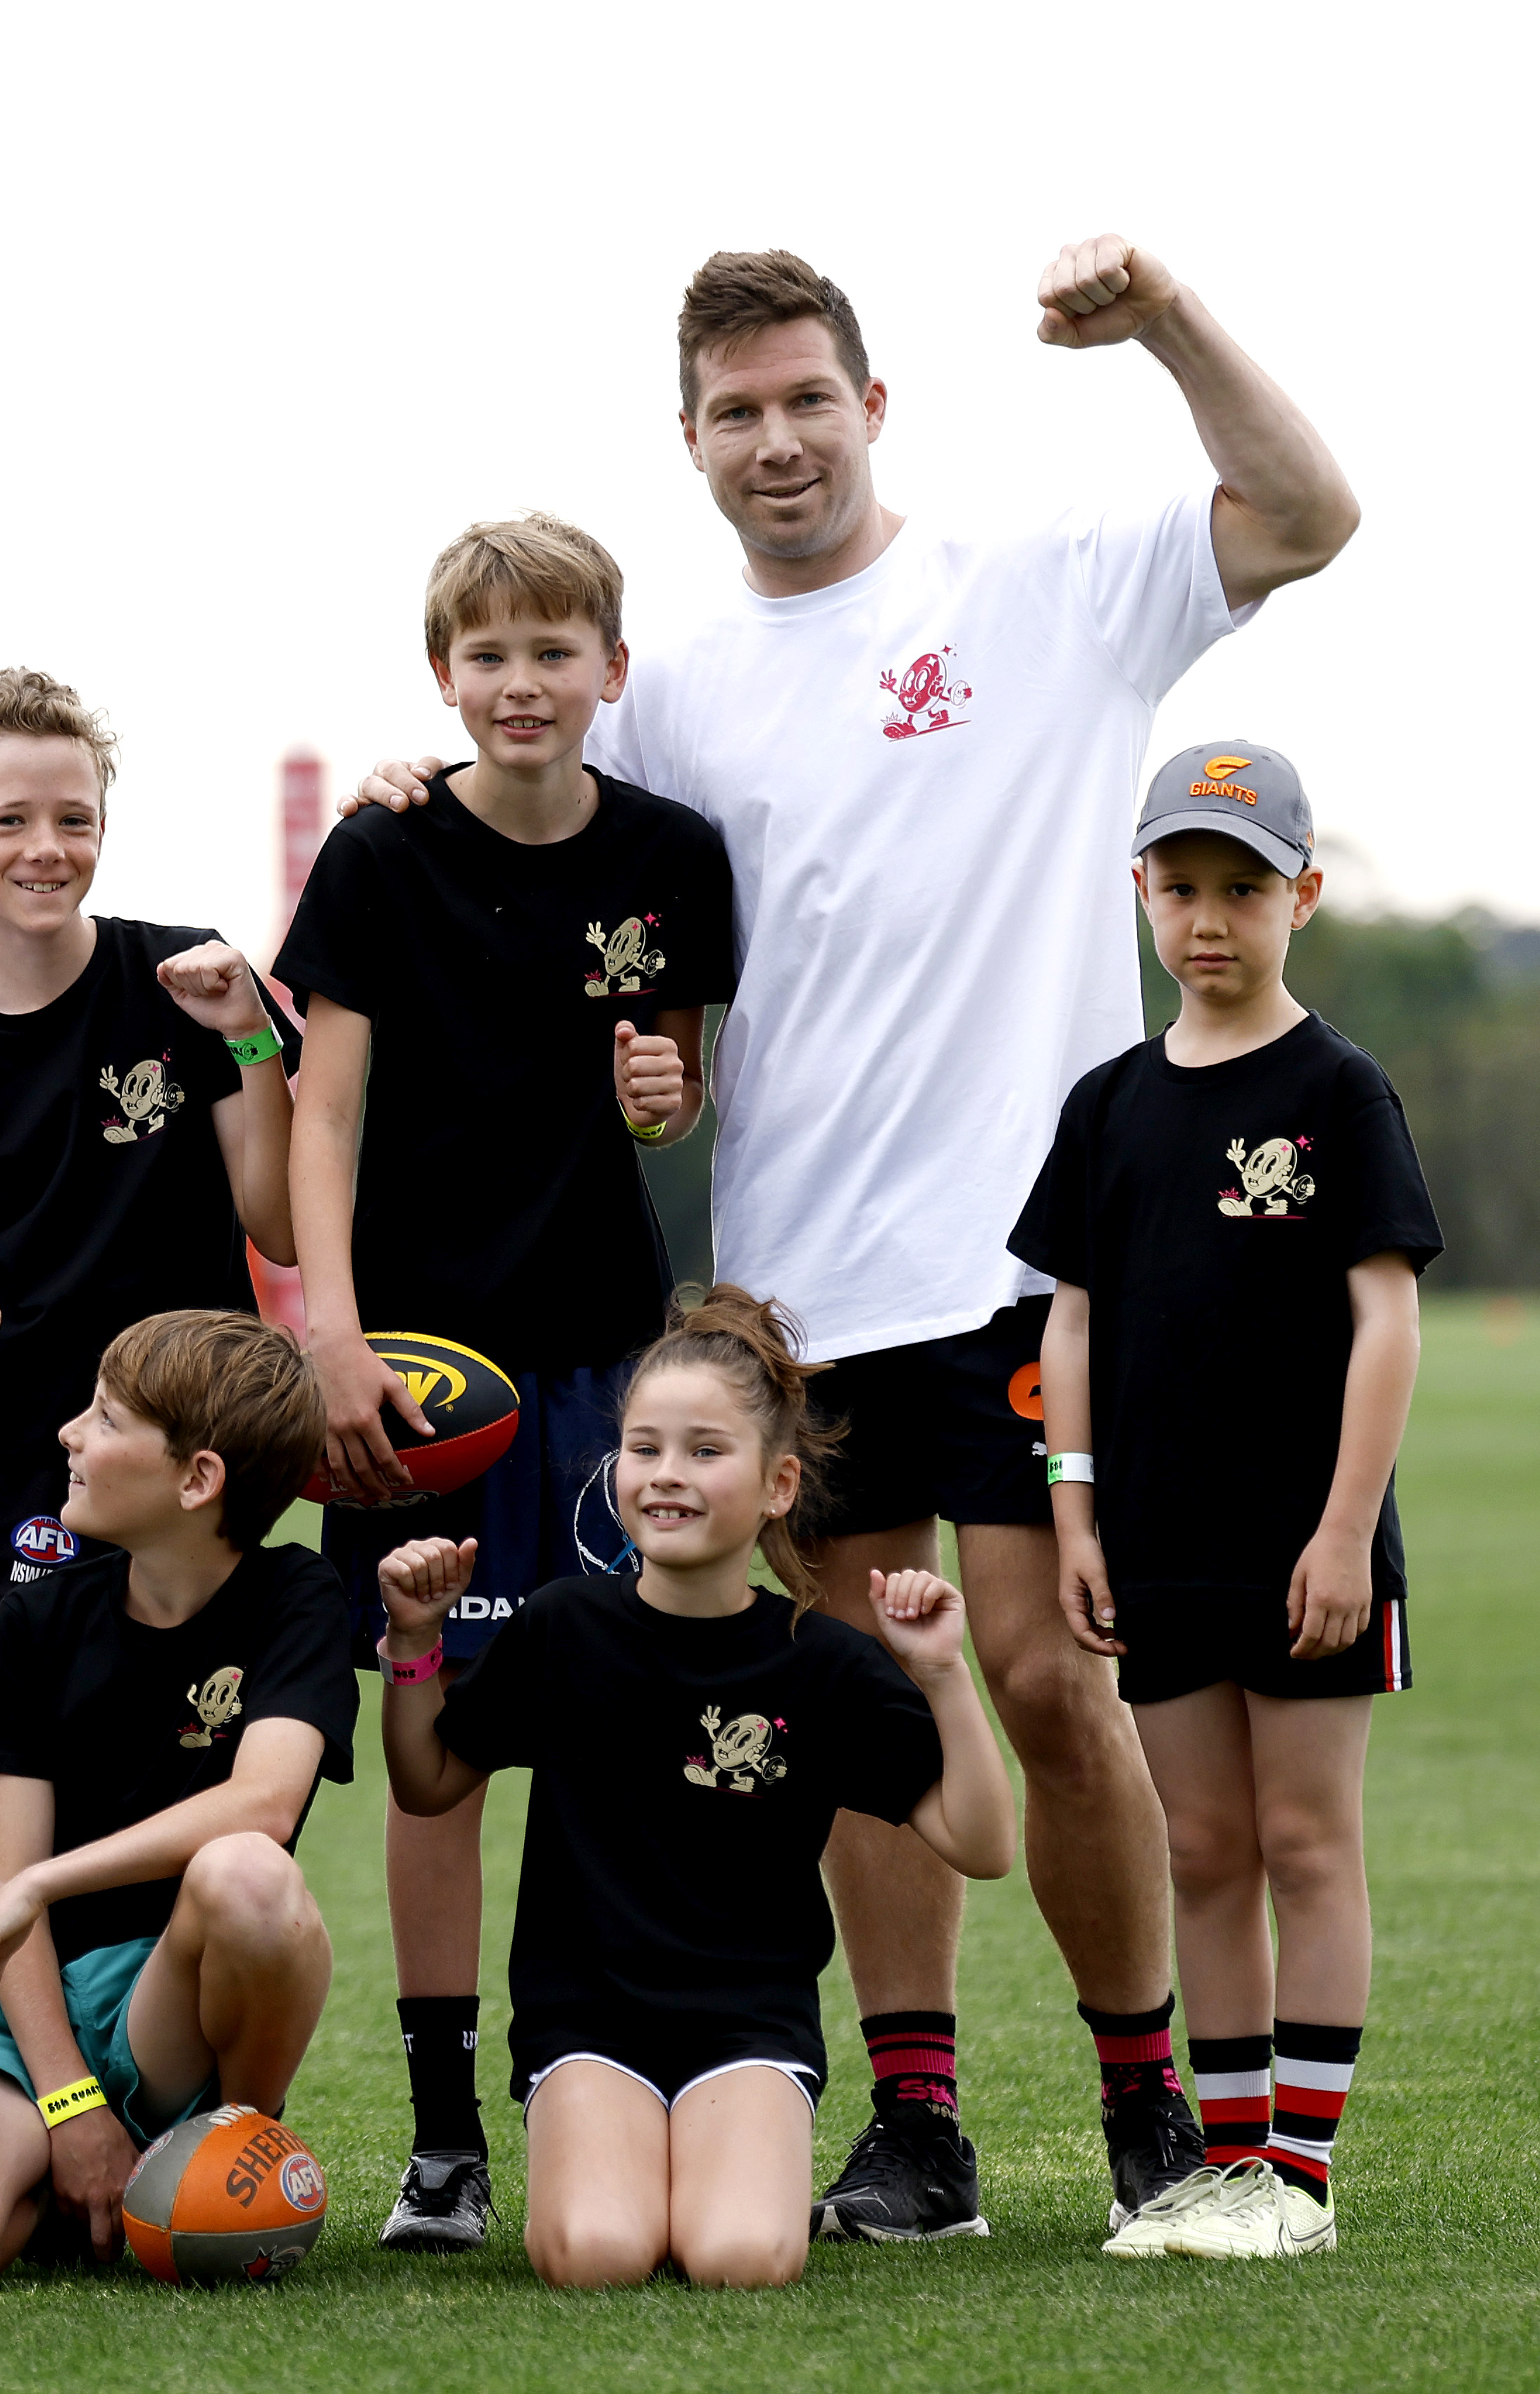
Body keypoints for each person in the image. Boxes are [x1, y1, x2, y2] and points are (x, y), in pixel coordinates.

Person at [346, 237, 1358, 2240]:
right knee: (848, 1694)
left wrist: (1160, 322)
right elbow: (525, 817)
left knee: (1041, 1679)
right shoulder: (671, 693)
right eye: (735, 411)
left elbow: (1307, 513)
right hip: (786, 1292)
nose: (776, 437)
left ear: (871, 404)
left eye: (807, 397)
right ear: (690, 441)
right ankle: (916, 2119)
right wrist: (408, 793)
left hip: (1021, 1272)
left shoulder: (1043, 590)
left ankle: (1146, 2098)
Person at [277, 513, 735, 2253]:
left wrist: (653, 1101)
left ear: (610, 670)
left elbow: (671, 1102)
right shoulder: (379, 857)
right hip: (417, 1376)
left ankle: (607, 2082)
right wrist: (327, 1327)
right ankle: (445, 2137)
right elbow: (323, 1111)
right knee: (440, 1751)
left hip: (606, 1365)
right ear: (442, 677)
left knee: (612, 1736)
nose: (522, 681)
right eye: (489, 654)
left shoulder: (673, 856)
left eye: (555, 651)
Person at [373, 1287, 1017, 2288]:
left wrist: (943, 1672)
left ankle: (722, 2154)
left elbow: (983, 1840)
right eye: (644, 1447)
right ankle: (636, 2151)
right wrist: (413, 1647)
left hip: (747, 2028)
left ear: (778, 1483)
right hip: (587, 2026)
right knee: (598, 2253)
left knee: (740, 2257)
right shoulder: (561, 1625)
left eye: (706, 1451)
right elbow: (426, 1783)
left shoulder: (827, 1663)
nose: (667, 1474)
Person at [1012, 744, 1437, 2261]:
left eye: (1242, 887)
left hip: (1303, 1541)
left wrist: (1340, 1530)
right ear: (1139, 891)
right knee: (1201, 1845)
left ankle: (1300, 2180)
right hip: (1155, 1542)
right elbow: (1068, 1322)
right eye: (1180, 884)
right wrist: (1071, 1514)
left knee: (1307, 1841)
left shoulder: (1337, 1087)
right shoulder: (1110, 1101)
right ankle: (1228, 2164)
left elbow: (1384, 1320)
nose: (1208, 917)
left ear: (1299, 896)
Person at [0, 1312, 354, 2285]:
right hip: (35, 2006)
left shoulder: (298, 1598)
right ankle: (63, 2171)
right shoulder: (39, 1619)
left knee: (247, 1876)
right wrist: (69, 2107)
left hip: (173, 2007)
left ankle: (232, 2149)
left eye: (106, 1418)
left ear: (197, 1479)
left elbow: (262, 1806)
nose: (68, 1434)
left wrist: (42, 1881)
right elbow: (8, 1896)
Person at [0, 669, 296, 1737]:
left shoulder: (185, 981)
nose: (45, 847)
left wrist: (250, 1037)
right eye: (9, 819)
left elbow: (276, 1224)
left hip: (199, 1447)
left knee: (199, 1770)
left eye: (74, 818)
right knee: (41, 1781)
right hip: (21, 1465)